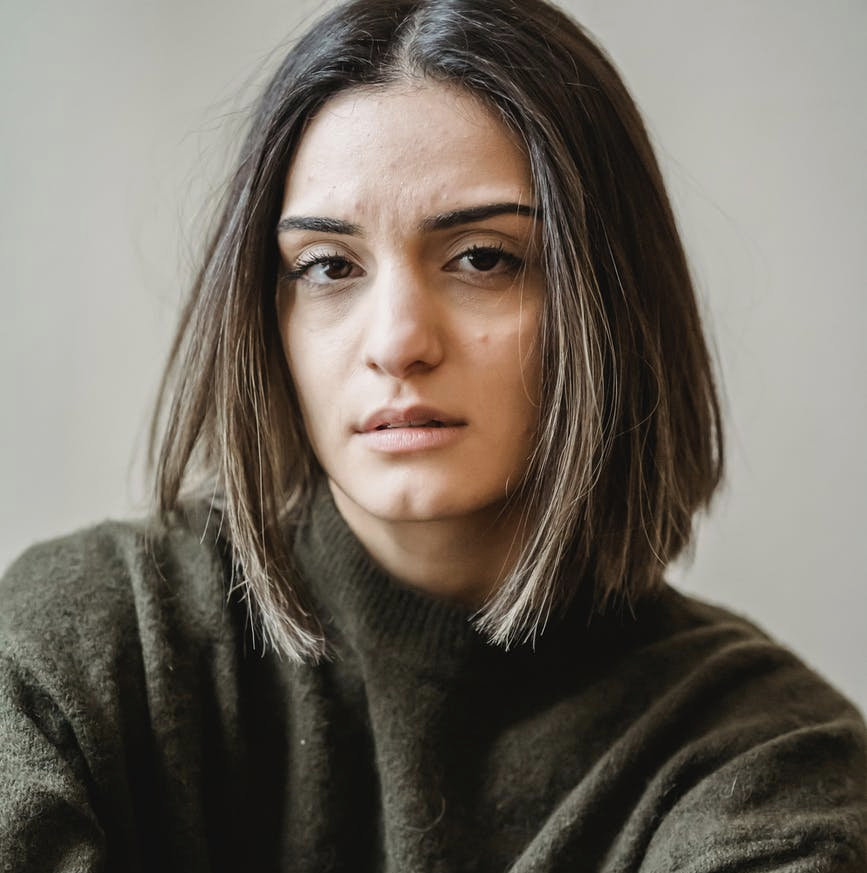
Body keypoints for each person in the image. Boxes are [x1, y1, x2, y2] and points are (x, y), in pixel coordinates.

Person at [1, 0, 864, 869]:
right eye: (328, 267)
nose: (397, 342)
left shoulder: (768, 759)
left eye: (483, 258)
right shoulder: (83, 650)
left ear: (611, 301)